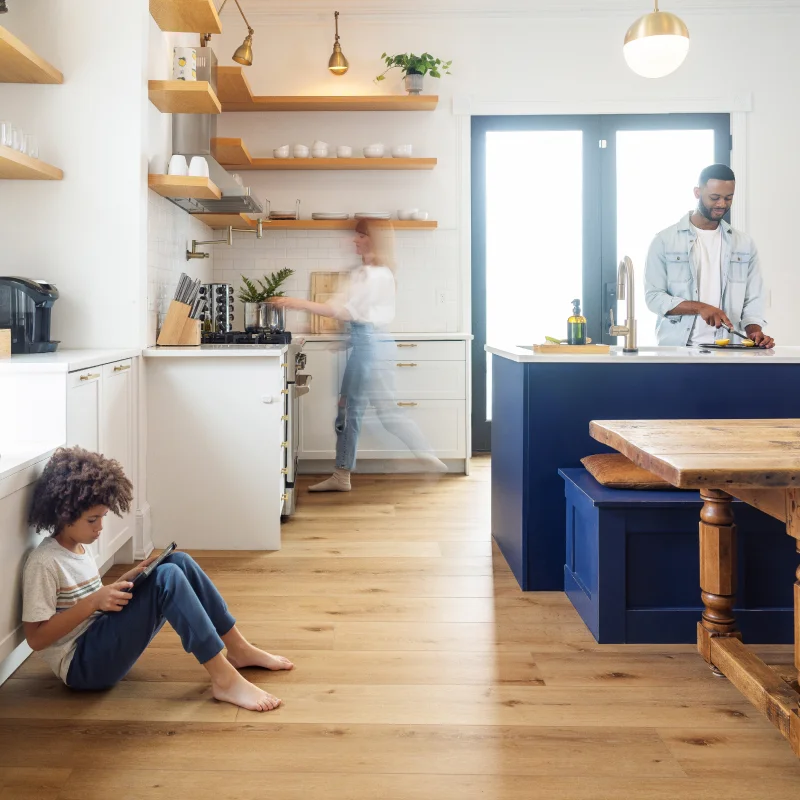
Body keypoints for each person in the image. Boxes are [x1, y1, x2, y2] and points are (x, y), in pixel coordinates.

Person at [23, 446, 293, 712]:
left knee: (178, 562)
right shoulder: (44, 562)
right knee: (168, 577)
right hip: (84, 666)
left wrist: (130, 577)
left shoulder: (79, 545)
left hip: (99, 635)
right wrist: (95, 601)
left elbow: (82, 599)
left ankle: (238, 648)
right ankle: (224, 679)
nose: (100, 528)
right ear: (64, 513)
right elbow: (35, 639)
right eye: (92, 520)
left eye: (102, 517)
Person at [272, 219, 446, 492]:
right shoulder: (376, 272)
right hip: (375, 342)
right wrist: (343, 339)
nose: (354, 240)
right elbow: (359, 315)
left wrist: (296, 303)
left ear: (373, 239)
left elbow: (342, 311)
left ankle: (343, 475)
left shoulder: (371, 275)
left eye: (360, 235)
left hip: (368, 345)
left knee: (348, 410)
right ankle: (426, 454)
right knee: (384, 410)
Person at [644, 163, 774, 349]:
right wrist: (700, 307)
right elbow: (654, 297)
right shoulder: (664, 240)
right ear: (697, 193)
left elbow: (753, 298)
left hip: (731, 350)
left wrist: (754, 331)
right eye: (715, 197)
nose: (721, 204)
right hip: (679, 349)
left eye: (728, 198)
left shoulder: (744, 244)